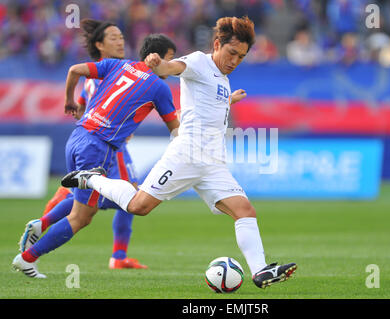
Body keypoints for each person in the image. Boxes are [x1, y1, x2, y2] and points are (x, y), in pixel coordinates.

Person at [61, 16, 297, 289]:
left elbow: (207, 106)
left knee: (245, 210)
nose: (234, 60)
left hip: (213, 163)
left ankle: (260, 271)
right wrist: (158, 64)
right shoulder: (198, 61)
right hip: (186, 155)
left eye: (241, 57)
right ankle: (91, 178)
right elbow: (173, 66)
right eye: (232, 53)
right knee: (139, 206)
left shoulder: (223, 79)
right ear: (217, 44)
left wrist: (228, 100)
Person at [12, 32, 180, 278]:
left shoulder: (118, 64)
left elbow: (74, 69)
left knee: (92, 203)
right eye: (172, 59)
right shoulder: (159, 87)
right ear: (160, 57)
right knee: (83, 216)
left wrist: (69, 100)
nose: (174, 66)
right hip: (98, 147)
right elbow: (176, 129)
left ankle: (42, 223)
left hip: (77, 137)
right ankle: (27, 258)